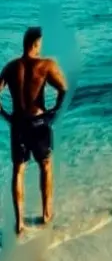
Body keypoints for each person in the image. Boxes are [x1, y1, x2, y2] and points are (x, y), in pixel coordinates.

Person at [0, 27, 67, 235]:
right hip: (38, 124)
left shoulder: (10, 67)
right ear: (36, 44)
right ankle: (46, 215)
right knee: (46, 166)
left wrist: (5, 115)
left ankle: (19, 223)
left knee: (18, 171)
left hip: (18, 124)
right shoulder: (46, 65)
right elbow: (63, 89)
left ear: (23, 43)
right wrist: (54, 112)